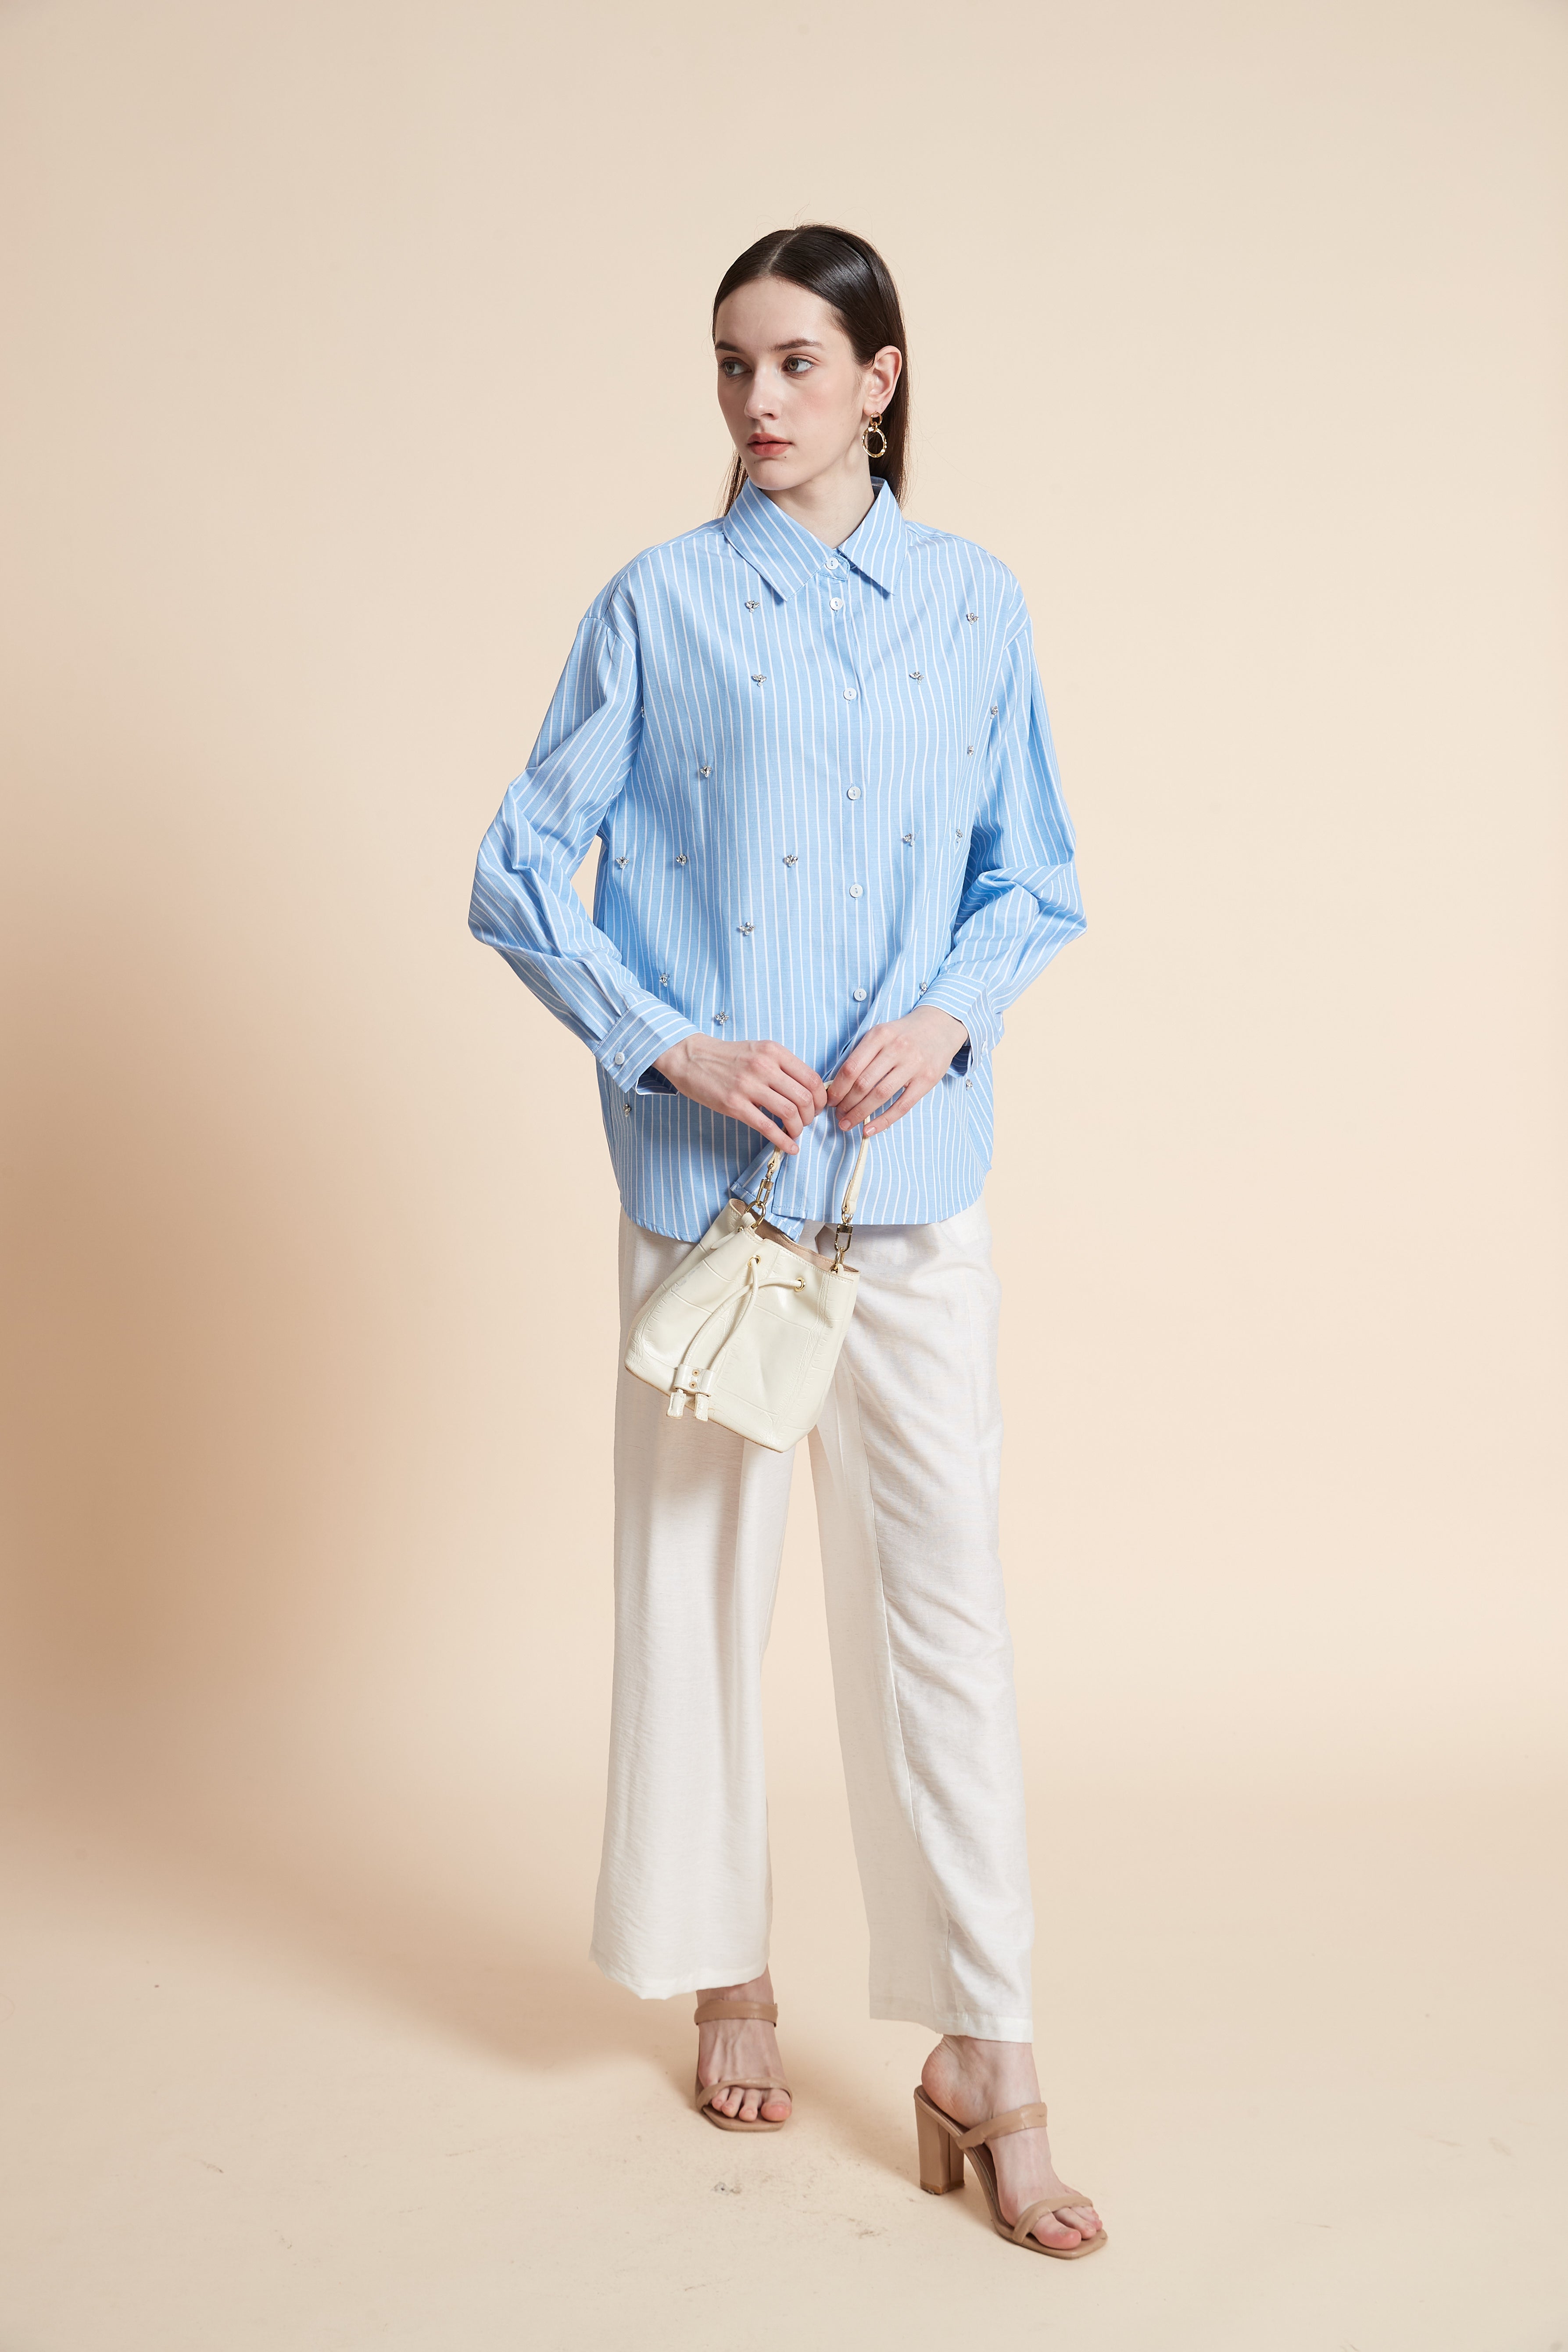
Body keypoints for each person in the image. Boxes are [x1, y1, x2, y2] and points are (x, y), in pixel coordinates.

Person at [469, 225, 1104, 2259]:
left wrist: (952, 1015)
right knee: (697, 1589)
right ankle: (723, 1963)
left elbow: (1033, 876)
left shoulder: (976, 603)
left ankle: (991, 2048)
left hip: (908, 1191)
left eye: (801, 362)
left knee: (946, 1616)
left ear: (880, 379)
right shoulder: (658, 604)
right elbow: (519, 868)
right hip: (716, 1198)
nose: (760, 399)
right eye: (735, 362)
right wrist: (667, 1037)